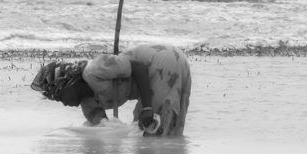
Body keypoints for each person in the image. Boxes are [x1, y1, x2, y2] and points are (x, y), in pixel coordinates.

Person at [31, 44, 191, 136]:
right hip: (172, 65)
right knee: (168, 130)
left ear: (69, 83)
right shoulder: (89, 107)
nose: (64, 103)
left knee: (154, 132)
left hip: (164, 61)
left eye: (60, 97)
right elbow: (103, 132)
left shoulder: (93, 71)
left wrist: (148, 107)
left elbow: (138, 68)